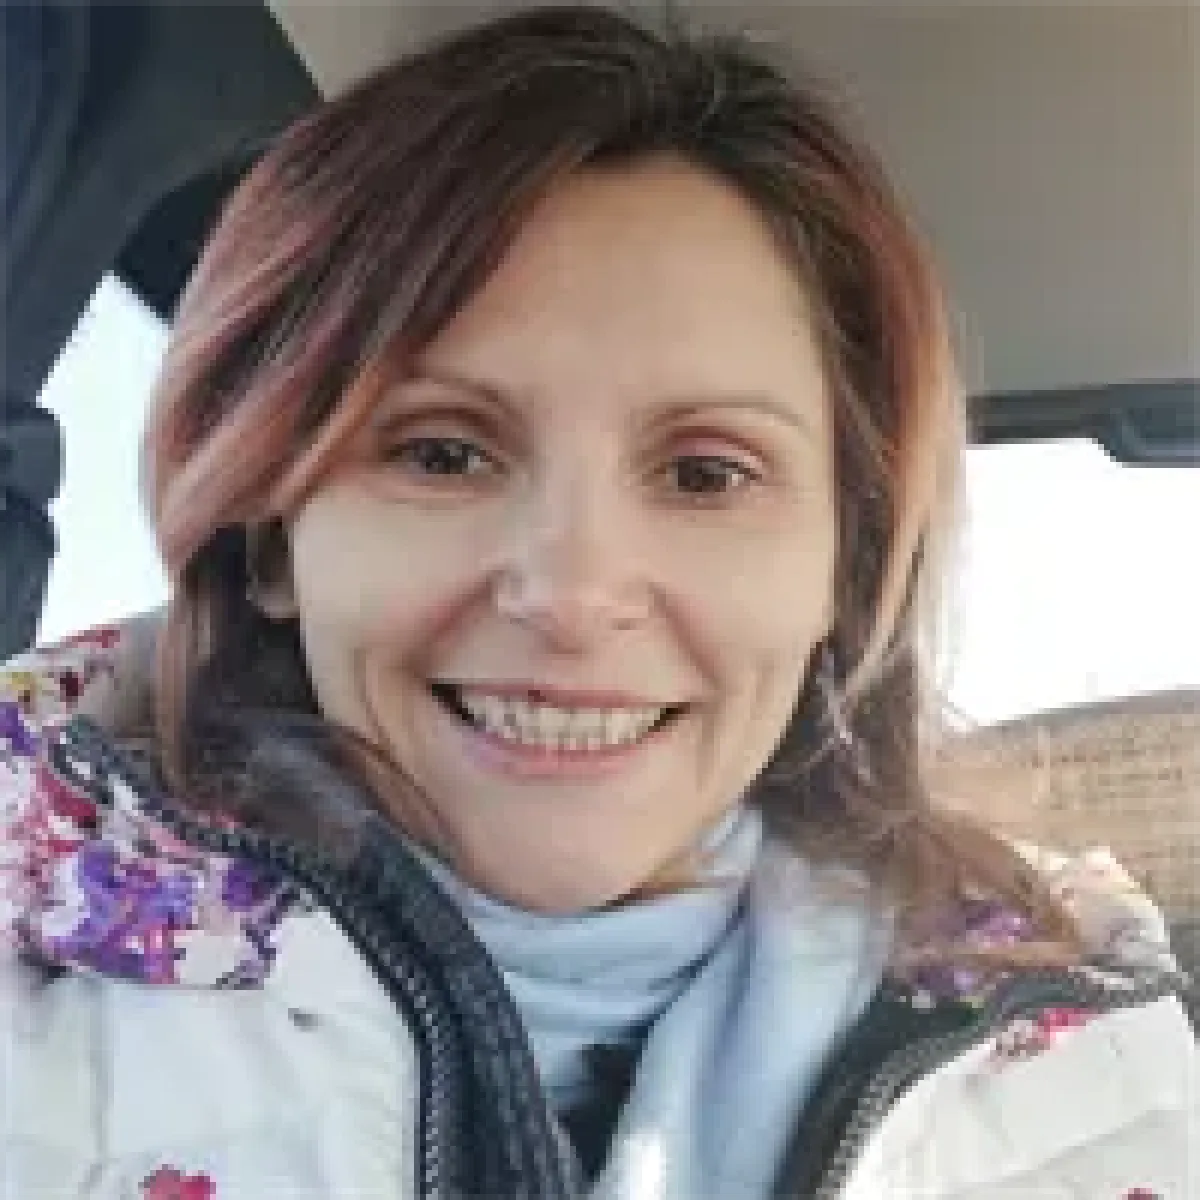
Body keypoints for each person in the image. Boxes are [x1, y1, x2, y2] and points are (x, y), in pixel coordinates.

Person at [0, 7, 1193, 1198]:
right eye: (441, 454)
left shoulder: (1100, 1076)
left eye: (706, 474)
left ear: (843, 563)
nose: (572, 595)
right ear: (269, 542)